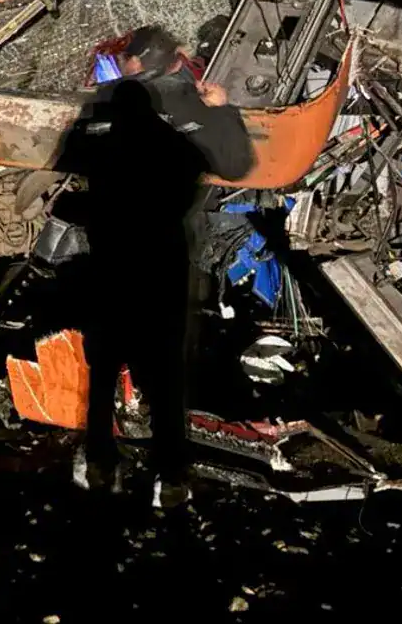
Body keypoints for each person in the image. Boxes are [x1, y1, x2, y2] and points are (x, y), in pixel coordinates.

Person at [55, 25, 254, 507]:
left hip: (110, 266)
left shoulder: (99, 139)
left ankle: (100, 463)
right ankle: (171, 477)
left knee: (102, 371)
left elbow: (65, 158)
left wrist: (89, 121)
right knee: (167, 375)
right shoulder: (180, 147)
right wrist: (224, 110)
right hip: (166, 268)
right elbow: (235, 166)